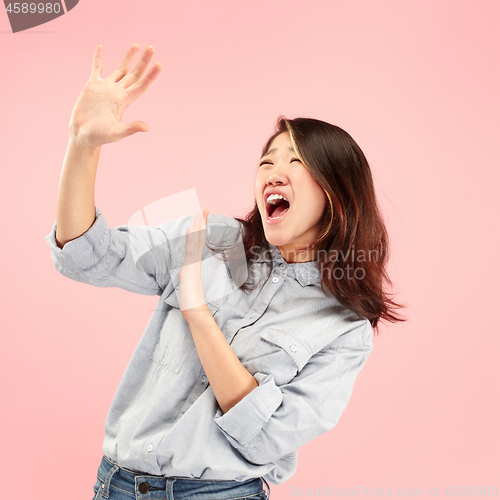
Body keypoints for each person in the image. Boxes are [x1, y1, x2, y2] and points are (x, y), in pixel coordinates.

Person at [44, 43, 405, 500]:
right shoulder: (211, 238)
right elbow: (86, 256)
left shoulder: (344, 329)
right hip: (116, 485)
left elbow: (265, 437)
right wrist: (81, 146)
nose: (274, 172)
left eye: (296, 162)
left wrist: (198, 314)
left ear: (337, 192)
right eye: (267, 161)